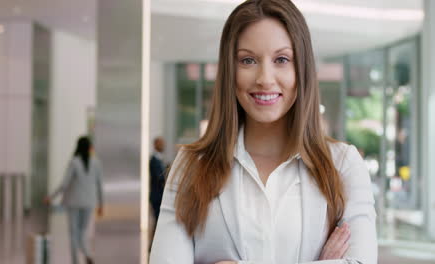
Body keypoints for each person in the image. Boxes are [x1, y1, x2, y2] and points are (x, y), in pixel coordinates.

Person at [149, 0, 377, 263]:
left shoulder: (343, 165)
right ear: (230, 71)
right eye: (248, 60)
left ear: (300, 68)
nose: (265, 78)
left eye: (282, 59)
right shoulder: (191, 167)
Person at [44, 136, 104, 264]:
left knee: (73, 233)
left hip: (73, 203)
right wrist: (101, 205)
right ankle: (88, 254)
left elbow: (64, 184)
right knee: (83, 232)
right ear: (89, 148)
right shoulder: (96, 163)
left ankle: (76, 261)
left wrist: (51, 197)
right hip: (89, 202)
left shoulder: (74, 162)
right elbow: (100, 185)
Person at [150, 137, 167, 223]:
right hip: (156, 196)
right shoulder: (154, 160)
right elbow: (159, 177)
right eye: (161, 143)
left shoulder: (159, 159)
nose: (163, 145)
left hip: (159, 196)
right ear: (155, 145)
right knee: (158, 220)